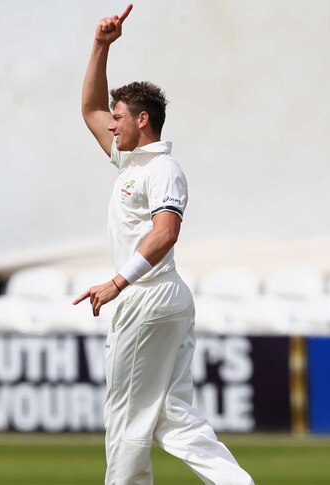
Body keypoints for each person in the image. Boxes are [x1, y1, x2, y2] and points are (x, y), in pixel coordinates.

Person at [72, 5, 254, 484]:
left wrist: (117, 281)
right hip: (160, 296)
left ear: (143, 120)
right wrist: (101, 45)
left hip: (147, 294)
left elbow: (166, 232)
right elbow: (89, 109)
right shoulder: (129, 162)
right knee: (171, 416)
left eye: (119, 118)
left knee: (127, 418)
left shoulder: (161, 168)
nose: (111, 125)